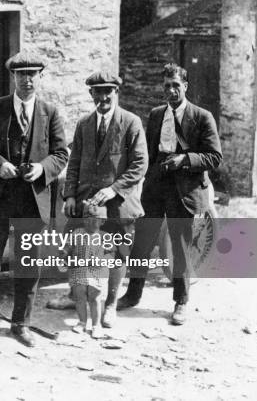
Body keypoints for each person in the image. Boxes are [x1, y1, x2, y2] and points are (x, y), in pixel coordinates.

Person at [0, 50, 69, 355]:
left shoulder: (50, 112)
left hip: (32, 198)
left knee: (28, 265)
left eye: (32, 74)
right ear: (13, 77)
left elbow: (61, 155)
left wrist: (41, 168)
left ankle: (21, 324)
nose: (27, 80)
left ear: (39, 77)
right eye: (21, 75)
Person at [118, 63, 222, 325]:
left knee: (180, 246)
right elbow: (148, 153)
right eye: (167, 86)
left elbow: (214, 157)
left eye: (176, 85)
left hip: (184, 189)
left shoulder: (202, 117)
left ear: (185, 86)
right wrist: (144, 178)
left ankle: (181, 302)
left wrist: (184, 161)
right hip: (156, 186)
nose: (171, 91)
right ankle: (132, 295)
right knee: (141, 241)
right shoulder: (155, 115)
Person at [46, 71, 148, 328]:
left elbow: (139, 164)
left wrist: (114, 189)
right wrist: (69, 194)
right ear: (90, 94)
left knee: (118, 255)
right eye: (97, 92)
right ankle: (75, 294)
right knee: (75, 250)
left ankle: (111, 304)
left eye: (108, 91)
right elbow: (75, 162)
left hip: (119, 203)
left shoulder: (131, 122)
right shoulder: (84, 124)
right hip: (85, 203)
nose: (103, 97)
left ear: (116, 93)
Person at [66, 203, 111, 339]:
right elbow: (68, 246)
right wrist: (64, 252)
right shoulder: (77, 233)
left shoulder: (105, 236)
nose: (89, 222)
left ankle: (96, 325)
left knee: (95, 298)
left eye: (94, 220)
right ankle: (82, 322)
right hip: (78, 270)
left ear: (102, 221)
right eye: (86, 219)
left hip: (97, 272)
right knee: (80, 297)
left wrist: (103, 259)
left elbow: (111, 254)